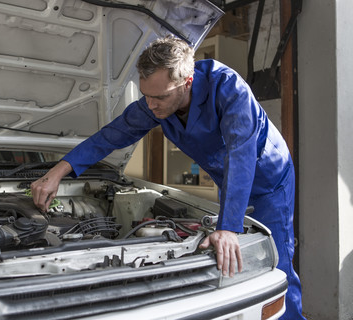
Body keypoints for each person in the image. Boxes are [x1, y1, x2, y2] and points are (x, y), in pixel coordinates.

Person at [31, 35, 305, 320]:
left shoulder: (229, 89)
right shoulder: (156, 102)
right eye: (146, 95)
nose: (151, 105)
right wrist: (57, 172)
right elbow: (110, 136)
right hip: (227, 179)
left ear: (187, 83)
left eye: (160, 97)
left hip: (268, 180)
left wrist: (228, 227)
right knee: (231, 265)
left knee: (277, 267)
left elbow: (241, 155)